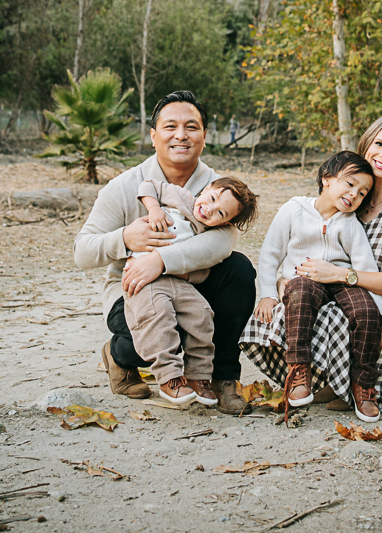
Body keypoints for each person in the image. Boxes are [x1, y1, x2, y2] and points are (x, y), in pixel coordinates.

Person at [241, 114, 382, 413]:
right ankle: (309, 376)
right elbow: (279, 249)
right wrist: (284, 279)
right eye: (379, 144)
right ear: (366, 146)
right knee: (299, 296)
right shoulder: (350, 195)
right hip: (329, 285)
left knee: (355, 311)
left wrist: (340, 274)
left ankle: (357, 384)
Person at [74, 90, 257, 414]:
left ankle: (222, 377)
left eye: (192, 127)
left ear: (203, 135)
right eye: (170, 126)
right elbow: (82, 252)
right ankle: (119, 356)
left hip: (190, 285)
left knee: (239, 270)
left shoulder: (218, 186)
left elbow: (224, 241)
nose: (181, 135)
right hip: (133, 288)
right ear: (154, 134)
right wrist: (126, 237)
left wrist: (161, 260)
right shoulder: (125, 186)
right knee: (155, 333)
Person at [252, 150, 382, 423]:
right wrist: (267, 294)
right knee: (299, 292)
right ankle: (299, 371)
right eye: (350, 184)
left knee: (366, 312)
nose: (354, 195)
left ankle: (363, 385)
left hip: (339, 280)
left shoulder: (351, 224)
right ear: (327, 178)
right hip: (304, 278)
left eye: (362, 193)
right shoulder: (294, 210)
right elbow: (270, 254)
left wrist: (381, 317)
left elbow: (366, 269)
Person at [124, 175, 258, 406]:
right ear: (206, 189)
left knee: (202, 314)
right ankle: (169, 377)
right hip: (143, 279)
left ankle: (199, 376)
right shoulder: (181, 197)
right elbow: (149, 185)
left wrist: (180, 272)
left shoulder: (210, 233)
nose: (210, 209)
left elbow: (203, 270)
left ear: (225, 223)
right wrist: (154, 208)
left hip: (179, 282)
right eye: (212, 198)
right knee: (158, 316)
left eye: (220, 213)